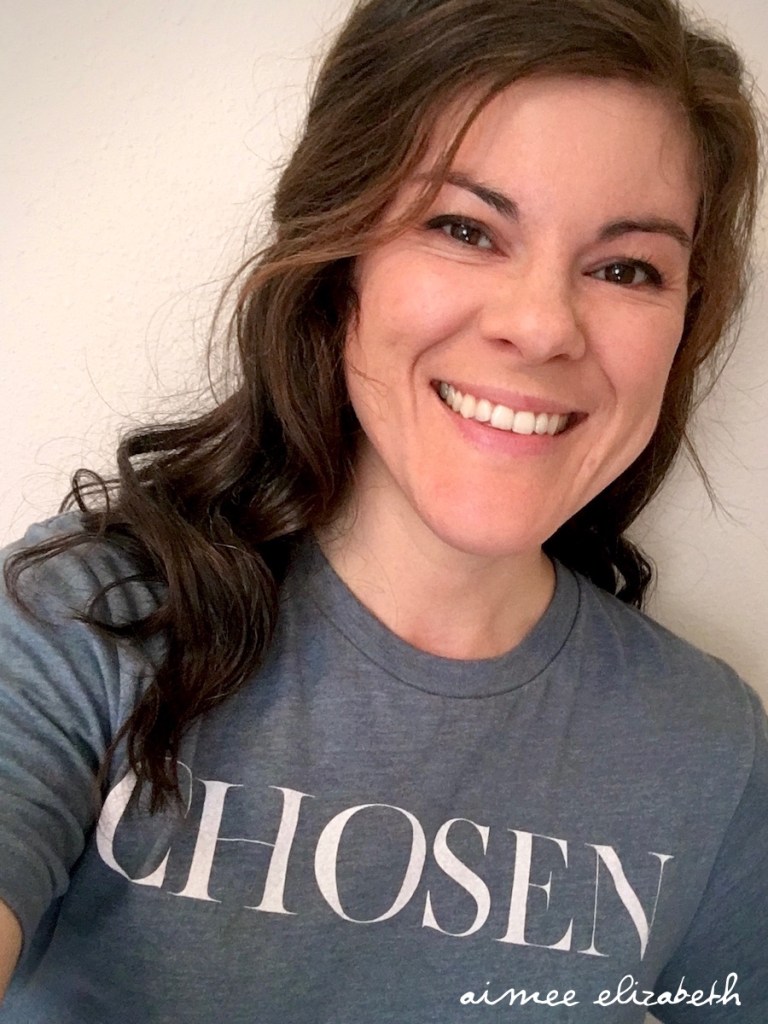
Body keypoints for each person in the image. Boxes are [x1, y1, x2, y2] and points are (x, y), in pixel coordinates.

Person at [1, 0, 766, 1020]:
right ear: (340, 264)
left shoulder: (712, 749)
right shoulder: (82, 627)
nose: (542, 325)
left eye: (626, 268)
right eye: (464, 229)